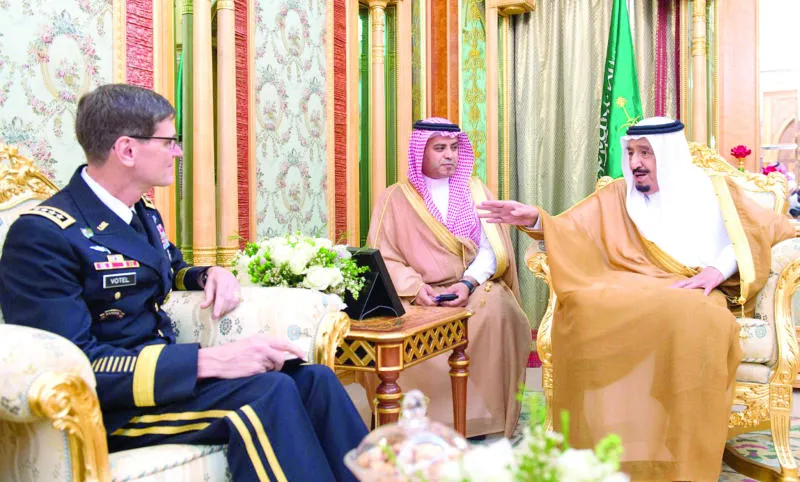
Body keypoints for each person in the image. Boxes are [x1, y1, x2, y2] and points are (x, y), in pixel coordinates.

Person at [0, 84, 367, 481]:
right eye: (169, 141)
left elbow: (169, 266)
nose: (176, 152)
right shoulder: (43, 235)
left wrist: (208, 274)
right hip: (113, 405)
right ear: (127, 150)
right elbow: (74, 366)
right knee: (268, 393)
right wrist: (210, 361)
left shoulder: (140, 211)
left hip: (165, 379)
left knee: (314, 380)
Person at [478, 117, 796, 480]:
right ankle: (602, 451)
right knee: (584, 306)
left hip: (691, 288)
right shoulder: (619, 194)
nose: (635, 163)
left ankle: (682, 454)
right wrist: (536, 218)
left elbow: (770, 229)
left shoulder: (716, 191)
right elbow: (572, 228)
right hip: (629, 283)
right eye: (630, 152)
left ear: (668, 154)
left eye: (645, 153)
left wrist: (719, 269)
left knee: (693, 316)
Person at [362, 117, 531, 438]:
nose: (449, 155)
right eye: (439, 148)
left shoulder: (475, 191)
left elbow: (491, 249)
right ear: (419, 152)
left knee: (499, 309)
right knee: (390, 326)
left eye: (454, 147)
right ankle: (415, 424)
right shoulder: (394, 199)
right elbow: (385, 258)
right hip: (416, 295)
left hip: (469, 288)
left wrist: (467, 283)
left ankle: (481, 421)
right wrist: (416, 288)